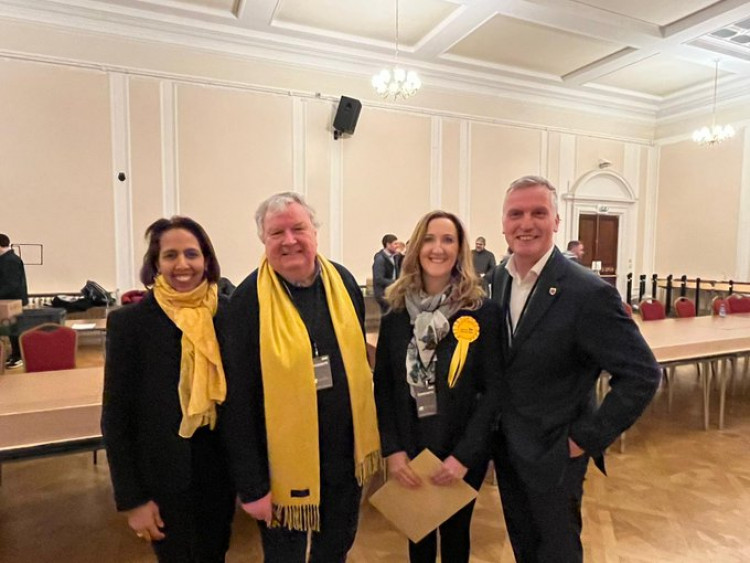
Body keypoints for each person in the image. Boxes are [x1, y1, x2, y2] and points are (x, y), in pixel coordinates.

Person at [487, 176, 661, 562]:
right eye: (516, 214)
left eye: (538, 212)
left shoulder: (589, 292)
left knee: (558, 551)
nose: (526, 223)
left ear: (557, 221)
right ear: (503, 223)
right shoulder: (498, 279)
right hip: (509, 446)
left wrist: (585, 438)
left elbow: (643, 374)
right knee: (524, 544)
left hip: (556, 452)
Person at [221, 192, 381, 563]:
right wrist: (252, 486)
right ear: (263, 240)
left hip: (344, 457)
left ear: (315, 233)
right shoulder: (247, 301)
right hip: (281, 468)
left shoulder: (342, 282)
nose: (290, 240)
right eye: (277, 232)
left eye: (298, 228)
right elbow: (238, 402)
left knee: (336, 548)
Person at [101, 217, 235, 562]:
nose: (182, 264)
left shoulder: (229, 316)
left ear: (207, 260)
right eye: (170, 255)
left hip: (220, 474)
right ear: (155, 264)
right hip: (162, 480)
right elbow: (116, 418)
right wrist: (132, 500)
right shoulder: (129, 325)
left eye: (191, 253)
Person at [373, 210, 502, 563]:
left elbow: (494, 391)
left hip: (461, 450)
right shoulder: (396, 311)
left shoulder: (482, 312)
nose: (438, 248)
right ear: (416, 247)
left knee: (457, 537)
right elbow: (383, 385)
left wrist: (464, 456)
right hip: (411, 445)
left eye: (448, 239)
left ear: (460, 250)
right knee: (419, 536)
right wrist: (393, 450)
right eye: (429, 239)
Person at [0, 233, 29, 370]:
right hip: (10, 301)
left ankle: (18, 356)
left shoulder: (10, 260)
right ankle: (14, 355)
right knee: (11, 330)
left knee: (14, 330)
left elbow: (11, 285)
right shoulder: (6, 259)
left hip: (13, 301)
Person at [373, 233, 400, 312]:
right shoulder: (380, 259)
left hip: (392, 292)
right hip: (383, 293)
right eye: (395, 244)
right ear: (388, 245)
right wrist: (396, 282)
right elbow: (379, 278)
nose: (397, 246)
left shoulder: (395, 257)